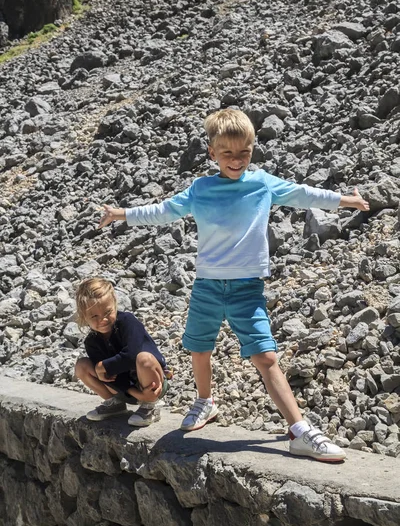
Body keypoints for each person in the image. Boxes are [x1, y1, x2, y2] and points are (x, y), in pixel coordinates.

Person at [97, 108, 370, 462]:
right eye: (227, 153)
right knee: (199, 347)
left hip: (246, 289)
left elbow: (303, 194)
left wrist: (345, 200)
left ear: (253, 149)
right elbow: (164, 211)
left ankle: (299, 431)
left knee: (266, 356)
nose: (237, 160)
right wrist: (122, 214)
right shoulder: (201, 189)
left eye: (244, 152)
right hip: (207, 287)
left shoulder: (262, 183)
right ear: (212, 152)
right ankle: (205, 401)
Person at [74, 277, 172, 426]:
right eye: (94, 316)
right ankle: (114, 404)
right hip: (124, 389)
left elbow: (132, 355)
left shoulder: (128, 322)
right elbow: (107, 377)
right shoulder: (92, 342)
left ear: (114, 304)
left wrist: (104, 366)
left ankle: (150, 406)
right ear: (84, 316)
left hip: (152, 384)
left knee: (143, 359)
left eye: (107, 312)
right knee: (82, 366)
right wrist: (136, 394)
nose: (103, 320)